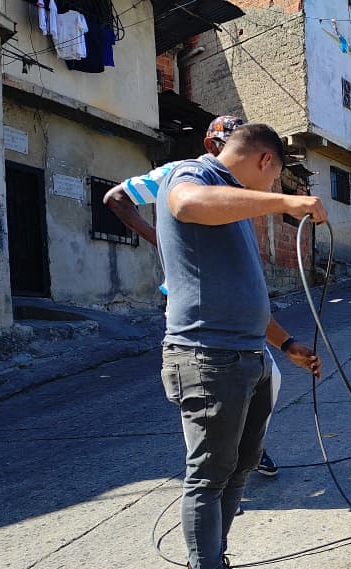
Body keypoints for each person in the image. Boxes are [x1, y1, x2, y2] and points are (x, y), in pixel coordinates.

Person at [157, 123, 327, 569]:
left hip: (246, 355)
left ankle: (209, 568)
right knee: (209, 477)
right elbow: (187, 204)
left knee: (238, 469)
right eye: (275, 179)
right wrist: (283, 202)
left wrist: (286, 343)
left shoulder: (232, 205)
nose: (273, 189)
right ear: (266, 161)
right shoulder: (194, 175)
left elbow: (238, 290)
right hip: (208, 358)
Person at [104, 116, 279, 478]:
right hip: (198, 309)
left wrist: (288, 342)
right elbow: (117, 197)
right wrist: (162, 241)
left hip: (233, 312)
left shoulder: (234, 189)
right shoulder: (184, 173)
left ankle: (242, 450)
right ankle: (215, 459)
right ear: (212, 146)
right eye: (226, 146)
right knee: (210, 407)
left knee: (265, 379)